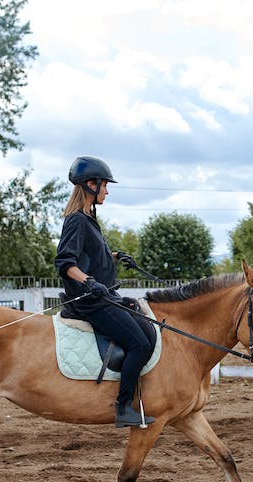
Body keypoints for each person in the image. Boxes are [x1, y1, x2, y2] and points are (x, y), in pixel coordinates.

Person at [54, 156, 155, 428]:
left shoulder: (89, 220)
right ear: (90, 184)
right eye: (105, 186)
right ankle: (123, 408)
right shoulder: (76, 220)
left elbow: (91, 257)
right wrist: (88, 282)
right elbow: (65, 263)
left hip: (103, 295)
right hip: (90, 301)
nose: (107, 191)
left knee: (147, 330)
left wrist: (114, 256)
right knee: (140, 344)